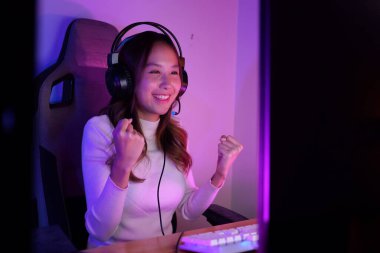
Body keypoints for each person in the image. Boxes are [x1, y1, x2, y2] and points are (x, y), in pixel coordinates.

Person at [81, 22, 243, 249]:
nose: (168, 84)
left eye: (174, 73)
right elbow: (100, 229)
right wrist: (122, 166)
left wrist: (220, 172)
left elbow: (188, 210)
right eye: (155, 71)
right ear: (125, 81)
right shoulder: (100, 130)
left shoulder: (175, 135)